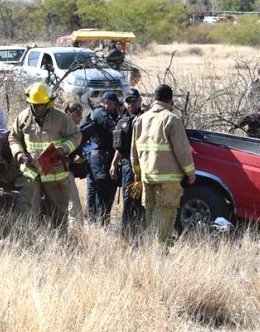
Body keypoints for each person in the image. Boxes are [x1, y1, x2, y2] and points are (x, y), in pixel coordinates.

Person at [9, 83, 82, 235]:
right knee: (26, 210)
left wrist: (63, 148)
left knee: (58, 214)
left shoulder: (61, 118)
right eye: (36, 105)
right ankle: (26, 242)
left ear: (49, 103)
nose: (39, 109)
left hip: (55, 174)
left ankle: (61, 244)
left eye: (42, 105)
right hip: (31, 174)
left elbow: (76, 135)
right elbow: (14, 137)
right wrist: (19, 154)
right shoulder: (23, 118)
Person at [131, 84, 195, 245]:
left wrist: (137, 175)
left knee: (150, 214)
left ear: (155, 99)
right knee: (164, 218)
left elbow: (134, 152)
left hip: (147, 178)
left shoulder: (140, 119)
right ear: (171, 100)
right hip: (168, 181)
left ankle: (149, 250)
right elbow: (183, 151)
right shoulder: (172, 119)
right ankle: (158, 254)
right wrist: (190, 173)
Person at [79, 92, 121, 225]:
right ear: (107, 101)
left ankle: (96, 220)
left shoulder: (99, 113)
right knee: (101, 187)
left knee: (96, 187)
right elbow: (113, 127)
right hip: (99, 156)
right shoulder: (100, 113)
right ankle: (99, 220)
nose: (116, 108)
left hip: (97, 154)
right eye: (114, 105)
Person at [110, 89, 145, 238]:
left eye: (133, 101)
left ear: (139, 100)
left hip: (138, 167)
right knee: (128, 200)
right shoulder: (123, 119)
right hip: (125, 166)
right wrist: (113, 164)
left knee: (137, 201)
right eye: (128, 101)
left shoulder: (144, 118)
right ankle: (127, 234)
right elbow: (120, 146)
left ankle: (138, 233)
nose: (130, 104)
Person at [64, 102, 89, 224]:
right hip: (62, 171)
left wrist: (83, 154)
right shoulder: (60, 129)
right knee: (74, 209)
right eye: (78, 114)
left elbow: (94, 142)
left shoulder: (79, 130)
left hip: (68, 172)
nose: (80, 118)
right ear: (70, 113)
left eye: (81, 114)